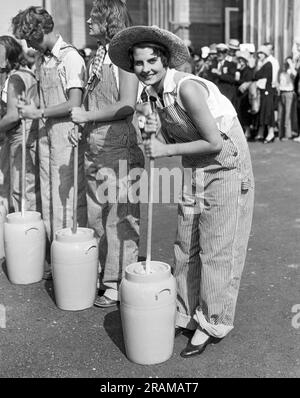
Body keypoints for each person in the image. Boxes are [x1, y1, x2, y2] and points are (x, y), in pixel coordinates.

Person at [108, 26, 254, 358]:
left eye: (152, 61)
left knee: (217, 246)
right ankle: (185, 313)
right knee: (185, 240)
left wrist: (165, 151)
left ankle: (211, 321)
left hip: (225, 163)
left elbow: (214, 142)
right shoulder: (152, 95)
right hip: (194, 164)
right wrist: (152, 135)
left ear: (164, 59)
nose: (145, 69)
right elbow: (162, 137)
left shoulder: (187, 88)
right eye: (139, 63)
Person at [70, 0, 144, 308]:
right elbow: (93, 101)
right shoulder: (98, 55)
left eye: (94, 17)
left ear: (109, 20)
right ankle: (104, 272)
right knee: (98, 214)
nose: (88, 22)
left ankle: (117, 280)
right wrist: (81, 125)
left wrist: (87, 117)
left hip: (119, 142)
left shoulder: (124, 56)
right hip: (96, 143)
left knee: (120, 216)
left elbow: (127, 103)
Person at [12, 6, 87, 279]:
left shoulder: (70, 58)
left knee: (64, 198)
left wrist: (39, 112)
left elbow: (74, 103)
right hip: (46, 135)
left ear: (39, 30)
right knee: (47, 198)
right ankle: (56, 262)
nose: (26, 43)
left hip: (65, 133)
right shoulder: (43, 60)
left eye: (27, 36)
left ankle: (71, 264)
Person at [0, 35, 41, 214]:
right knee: (18, 186)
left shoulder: (16, 78)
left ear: (9, 57)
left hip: (21, 137)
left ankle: (24, 233)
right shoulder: (22, 74)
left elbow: (12, 116)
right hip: (19, 137)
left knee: (21, 189)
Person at [254, 45, 276, 143]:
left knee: (268, 112)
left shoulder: (268, 64)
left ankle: (270, 133)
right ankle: (263, 133)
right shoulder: (263, 64)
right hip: (264, 91)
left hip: (267, 91)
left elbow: (262, 77)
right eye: (259, 53)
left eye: (262, 53)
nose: (260, 55)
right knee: (263, 111)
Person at [235, 50, 255, 140]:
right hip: (239, 94)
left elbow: (248, 81)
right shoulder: (239, 70)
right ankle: (244, 131)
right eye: (239, 59)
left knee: (245, 113)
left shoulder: (248, 70)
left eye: (242, 60)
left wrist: (238, 81)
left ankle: (247, 132)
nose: (240, 61)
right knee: (240, 113)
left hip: (245, 95)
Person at [278, 56, 298, 140]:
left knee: (287, 114)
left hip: (289, 93)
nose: (286, 64)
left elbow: (295, 75)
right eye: (286, 62)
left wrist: (291, 65)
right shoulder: (282, 72)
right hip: (282, 93)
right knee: (281, 114)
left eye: (288, 62)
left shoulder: (291, 71)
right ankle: (280, 134)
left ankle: (287, 134)